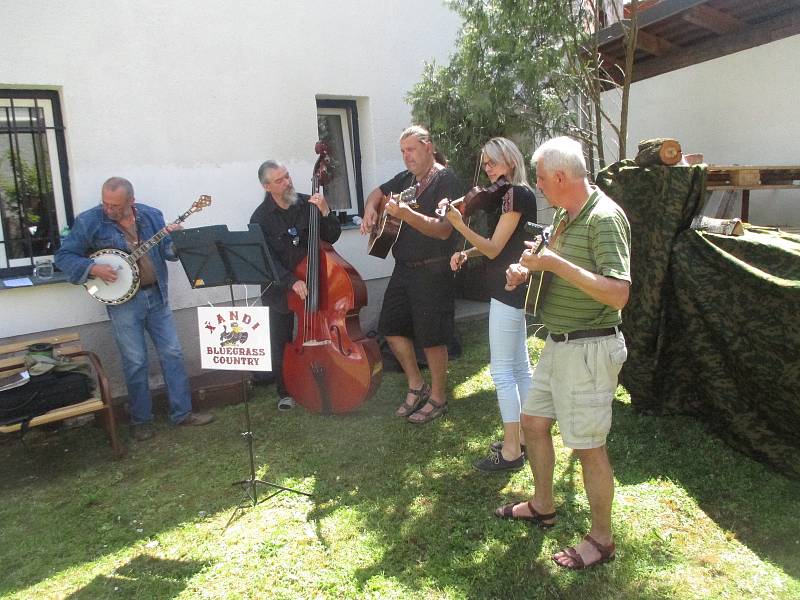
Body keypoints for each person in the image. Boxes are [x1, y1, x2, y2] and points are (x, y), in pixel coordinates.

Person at [498, 136, 631, 570]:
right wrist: (528, 271)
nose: (536, 186)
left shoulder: (605, 218)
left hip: (590, 347)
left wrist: (554, 265)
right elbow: (554, 266)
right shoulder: (564, 215)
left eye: (539, 178)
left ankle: (602, 539)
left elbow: (618, 294)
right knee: (534, 424)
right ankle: (543, 504)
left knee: (588, 447)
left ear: (559, 176)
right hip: (559, 343)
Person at [55, 177, 214, 441]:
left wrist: (176, 241)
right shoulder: (90, 220)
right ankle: (141, 420)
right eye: (105, 203)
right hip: (123, 304)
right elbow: (63, 256)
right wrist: (92, 268)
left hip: (157, 296)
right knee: (136, 361)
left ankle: (182, 413)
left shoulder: (152, 216)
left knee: (173, 353)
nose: (109, 209)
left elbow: (168, 253)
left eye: (115, 205)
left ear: (131, 201)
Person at [440, 137, 536, 471]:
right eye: (485, 164)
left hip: (507, 289)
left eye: (492, 162)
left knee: (501, 371)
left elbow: (496, 249)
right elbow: (501, 245)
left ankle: (511, 450)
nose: (487, 168)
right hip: (510, 287)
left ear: (510, 161)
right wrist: (467, 252)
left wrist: (459, 226)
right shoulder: (513, 195)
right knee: (520, 367)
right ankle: (527, 438)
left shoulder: (516, 194)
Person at [360, 125, 460, 424]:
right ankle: (417, 385)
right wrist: (370, 210)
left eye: (411, 150)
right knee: (390, 327)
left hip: (432, 268)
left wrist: (407, 215)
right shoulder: (405, 179)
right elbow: (377, 193)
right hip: (403, 269)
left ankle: (439, 397)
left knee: (432, 337)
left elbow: (444, 230)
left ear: (428, 147)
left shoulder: (446, 180)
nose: (406, 157)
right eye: (403, 151)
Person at [249, 160, 341, 410]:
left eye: (287, 176)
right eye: (280, 180)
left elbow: (331, 236)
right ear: (267, 186)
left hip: (313, 282)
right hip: (279, 289)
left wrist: (325, 212)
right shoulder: (260, 218)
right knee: (282, 341)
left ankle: (327, 374)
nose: (287, 182)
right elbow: (265, 260)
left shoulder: (306, 204)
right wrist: (291, 281)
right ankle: (286, 391)